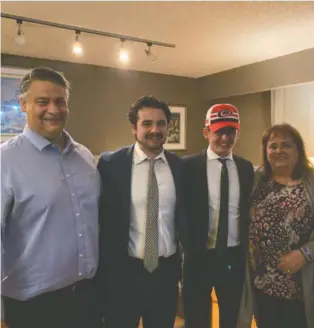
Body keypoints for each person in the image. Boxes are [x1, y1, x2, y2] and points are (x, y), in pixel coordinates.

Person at [1, 67, 102, 328]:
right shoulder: (5, 161)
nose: (53, 110)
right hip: (33, 308)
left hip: (87, 298)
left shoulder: (85, 157)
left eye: (60, 102)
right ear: (23, 105)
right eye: (42, 102)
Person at [97, 95, 187, 328]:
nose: (155, 130)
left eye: (161, 123)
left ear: (168, 127)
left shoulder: (180, 168)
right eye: (147, 123)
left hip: (165, 275)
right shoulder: (111, 165)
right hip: (124, 274)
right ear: (134, 129)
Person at [183, 103, 254, 328]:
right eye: (219, 131)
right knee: (197, 319)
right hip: (198, 257)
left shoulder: (246, 167)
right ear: (206, 132)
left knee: (231, 320)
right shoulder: (187, 166)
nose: (225, 138)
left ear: (237, 133)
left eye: (230, 131)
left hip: (233, 256)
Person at [237, 123, 314, 328]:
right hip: (261, 285)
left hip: (300, 286)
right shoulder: (255, 180)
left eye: (286, 145)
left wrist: (305, 253)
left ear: (298, 149)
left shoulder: (311, 183)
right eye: (273, 146)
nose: (279, 151)